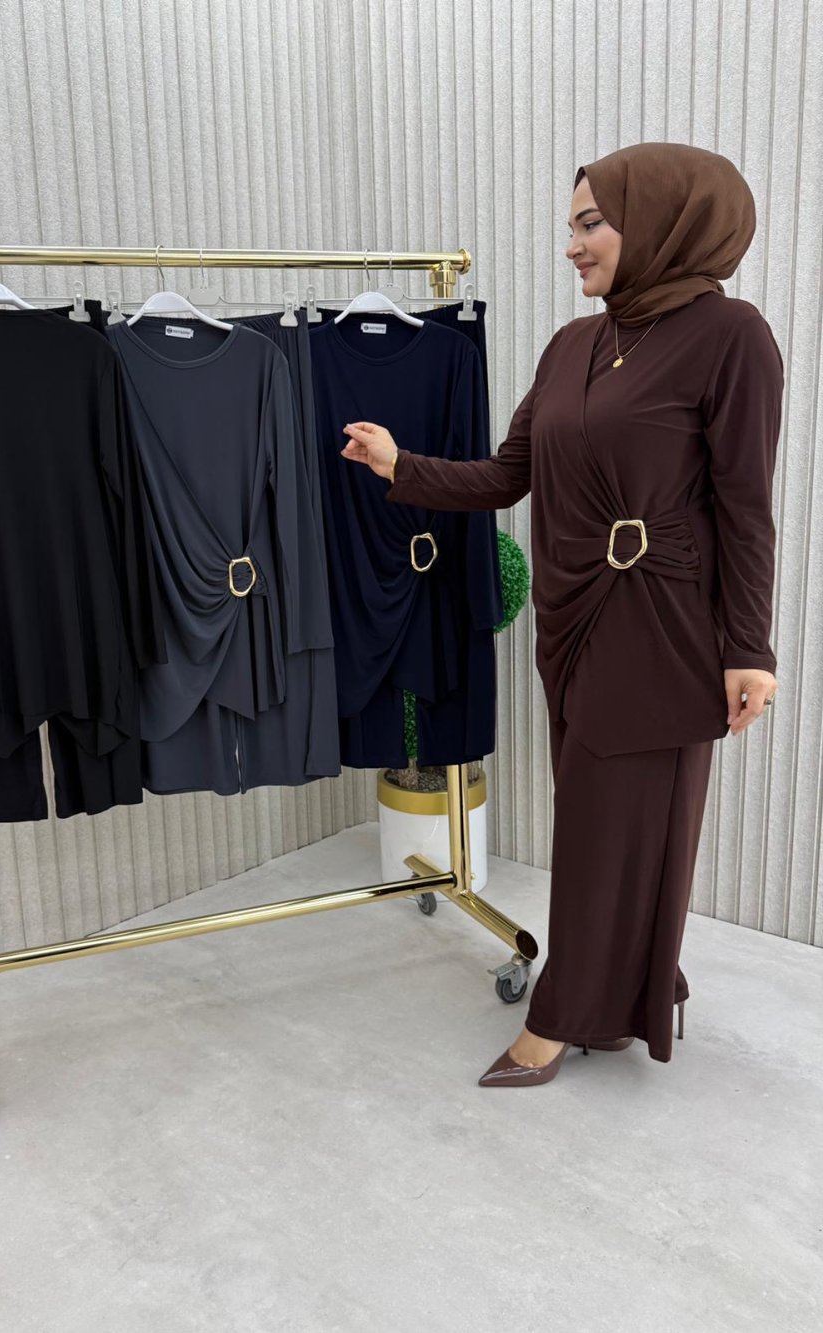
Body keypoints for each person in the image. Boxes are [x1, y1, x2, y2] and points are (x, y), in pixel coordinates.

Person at [341, 142, 782, 1087]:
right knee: (600, 818)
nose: (573, 245)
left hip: (665, 624)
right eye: (571, 226)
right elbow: (509, 475)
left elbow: (746, 505)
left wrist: (750, 647)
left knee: (614, 824)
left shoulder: (732, 336)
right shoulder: (572, 345)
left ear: (659, 224)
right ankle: (634, 984)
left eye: (592, 223)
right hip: (575, 616)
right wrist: (400, 465)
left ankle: (566, 1013)